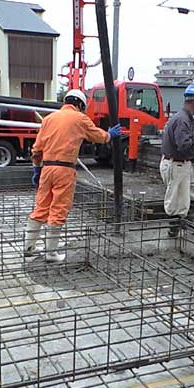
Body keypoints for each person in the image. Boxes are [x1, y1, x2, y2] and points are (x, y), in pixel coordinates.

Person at [24, 89, 122, 262]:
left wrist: (37, 169)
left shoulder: (49, 119)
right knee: (58, 209)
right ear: (80, 105)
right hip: (64, 169)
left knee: (41, 207)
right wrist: (109, 135)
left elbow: (37, 148)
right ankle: (51, 253)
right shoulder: (80, 119)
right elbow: (97, 136)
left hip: (47, 168)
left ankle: (29, 248)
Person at [160, 83, 194, 238]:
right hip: (175, 164)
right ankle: (174, 231)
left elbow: (186, 149)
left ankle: (186, 221)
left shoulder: (188, 119)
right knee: (177, 201)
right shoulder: (182, 120)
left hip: (182, 163)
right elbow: (185, 147)